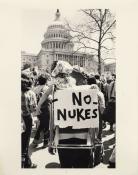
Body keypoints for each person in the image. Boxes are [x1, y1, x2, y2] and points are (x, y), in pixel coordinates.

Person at [38, 61, 96, 168]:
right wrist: (93, 139)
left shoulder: (56, 98)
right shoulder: (83, 91)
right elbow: (90, 120)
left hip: (63, 139)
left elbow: (52, 123)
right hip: (82, 138)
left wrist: (51, 141)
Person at [21, 73, 37, 168]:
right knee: (25, 142)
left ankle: (26, 162)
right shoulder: (30, 93)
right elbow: (33, 110)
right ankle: (25, 163)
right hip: (26, 119)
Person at [31, 74, 50, 148]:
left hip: (38, 110)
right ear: (46, 81)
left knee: (42, 124)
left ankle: (35, 141)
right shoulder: (47, 88)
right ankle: (45, 142)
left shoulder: (35, 89)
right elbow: (50, 98)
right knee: (46, 125)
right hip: (46, 109)